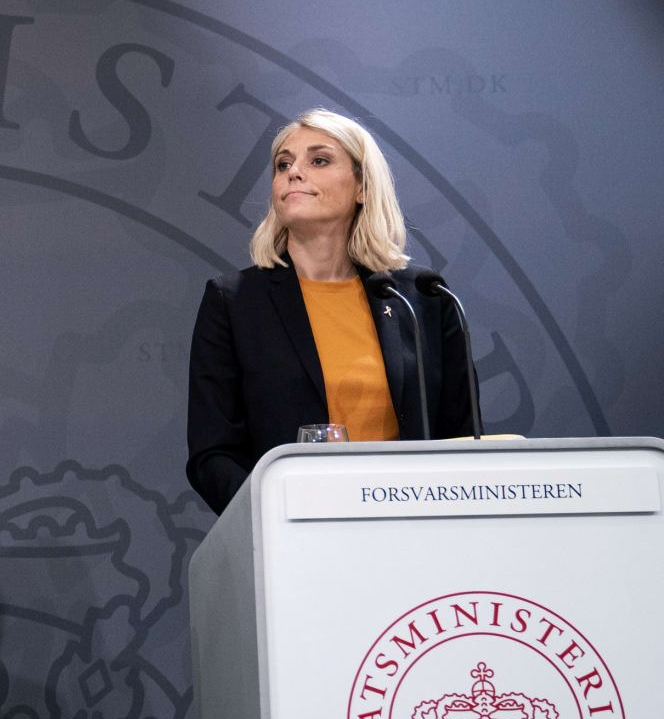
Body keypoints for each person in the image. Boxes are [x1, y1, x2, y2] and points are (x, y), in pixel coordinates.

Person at [186, 108, 472, 514]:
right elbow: (212, 455)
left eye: (318, 160)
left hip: (413, 528)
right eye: (283, 164)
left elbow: (462, 439)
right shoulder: (234, 302)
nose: (294, 172)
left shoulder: (422, 298)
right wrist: (278, 516)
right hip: (294, 531)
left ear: (362, 188)